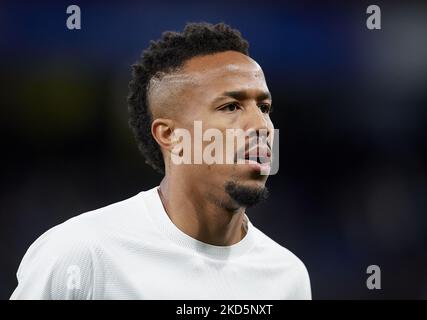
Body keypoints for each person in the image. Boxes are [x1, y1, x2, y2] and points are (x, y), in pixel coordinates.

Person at [11, 22, 311, 299]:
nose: (261, 126)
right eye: (231, 106)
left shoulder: (287, 276)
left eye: (264, 106)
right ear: (170, 135)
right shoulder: (82, 254)